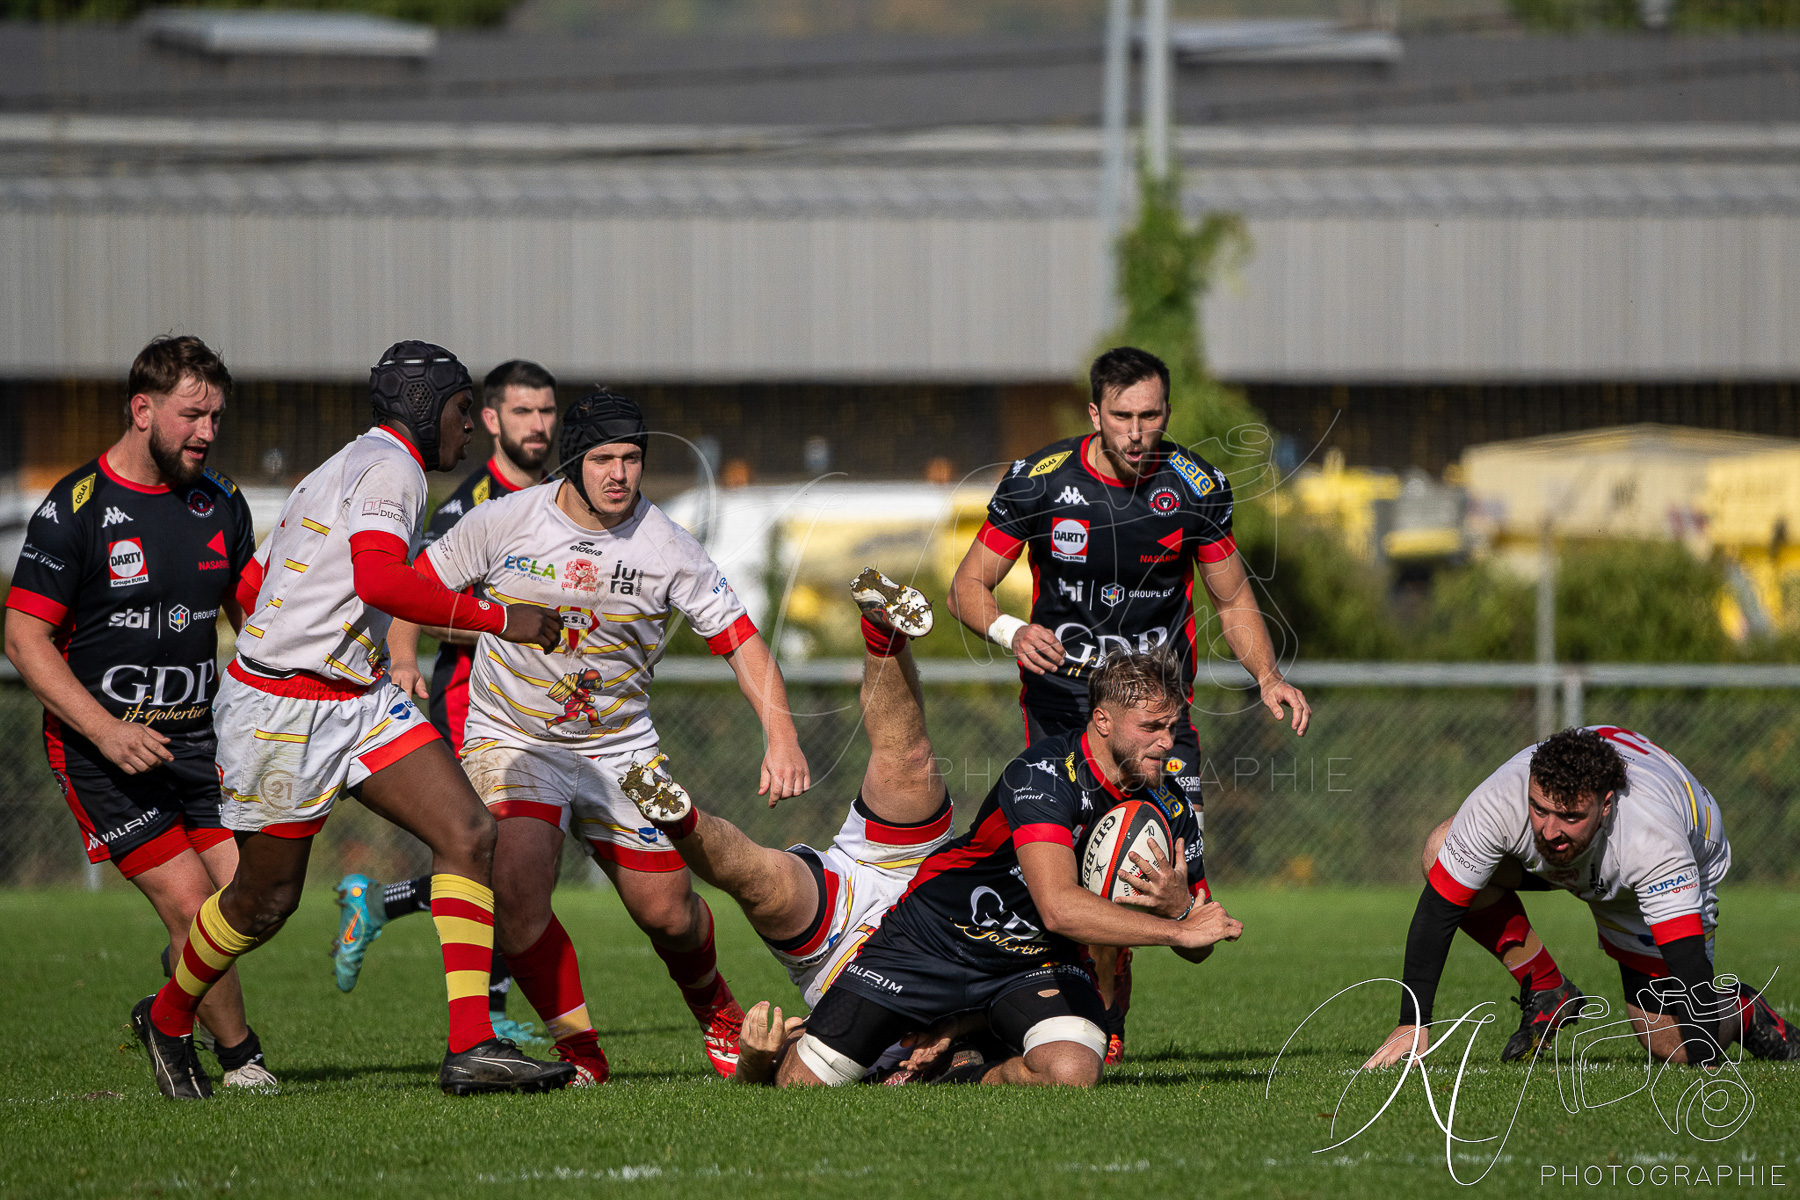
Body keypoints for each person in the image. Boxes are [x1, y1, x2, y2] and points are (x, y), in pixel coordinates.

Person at [130, 340, 574, 1099]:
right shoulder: (394, 468)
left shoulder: (348, 462)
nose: (468, 428)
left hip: (355, 696)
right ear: (428, 407)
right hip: (284, 708)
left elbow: (271, 575)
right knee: (262, 904)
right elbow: (379, 579)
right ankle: (168, 1019)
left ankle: (472, 1046)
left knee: (468, 833)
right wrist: (504, 617)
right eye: (464, 410)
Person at [385, 389, 811, 1082]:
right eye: (605, 459)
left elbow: (741, 642)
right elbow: (415, 587)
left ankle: (720, 1017)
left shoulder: (667, 545)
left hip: (621, 748)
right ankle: (583, 1056)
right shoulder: (505, 520)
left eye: (633, 458)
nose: (620, 474)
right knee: (519, 900)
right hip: (513, 739)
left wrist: (782, 737)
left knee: (668, 912)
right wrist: (402, 658)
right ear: (574, 462)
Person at [946, 345, 1308, 1062]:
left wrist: (1268, 676)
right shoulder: (1041, 483)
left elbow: (1232, 598)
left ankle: (1102, 990)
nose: (1138, 432)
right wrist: (1013, 631)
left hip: (1157, 732)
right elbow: (967, 587)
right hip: (1061, 721)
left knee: (1183, 901)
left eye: (1152, 415)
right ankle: (1077, 1019)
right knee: (1055, 884)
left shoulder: (1195, 486)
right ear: (1094, 414)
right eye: (1122, 417)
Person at [772, 647, 1243, 1089]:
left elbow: (1199, 942)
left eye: (1172, 726)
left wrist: (1181, 911)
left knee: (1071, 1071)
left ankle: (961, 1072)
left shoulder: (1169, 805)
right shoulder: (1043, 774)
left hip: (1037, 962)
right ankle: (769, 1048)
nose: (1168, 742)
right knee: (800, 1083)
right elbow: (1058, 908)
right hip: (934, 939)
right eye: (1151, 727)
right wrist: (1176, 931)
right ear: (1102, 720)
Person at [4, 336, 277, 1091]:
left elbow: (254, 613)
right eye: (193, 415)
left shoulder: (220, 500)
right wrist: (106, 731)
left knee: (256, 904)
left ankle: (169, 999)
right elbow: (24, 639)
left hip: (199, 743)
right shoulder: (74, 509)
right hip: (102, 754)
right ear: (142, 409)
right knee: (195, 907)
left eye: (217, 416)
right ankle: (241, 1061)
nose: (207, 432)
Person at [615, 568, 953, 1084]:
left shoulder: (857, 1055)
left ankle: (680, 818)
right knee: (909, 760)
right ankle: (884, 632)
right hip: (922, 883)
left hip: (842, 955)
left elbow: (795, 1037)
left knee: (760, 886)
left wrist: (752, 1057)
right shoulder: (992, 1034)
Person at [332, 360, 559, 1046]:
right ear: (489, 420)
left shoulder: (561, 499)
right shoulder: (466, 506)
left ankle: (378, 901)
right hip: (476, 698)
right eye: (522, 412)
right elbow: (409, 592)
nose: (539, 426)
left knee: (524, 864)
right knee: (495, 851)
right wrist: (403, 659)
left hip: (551, 705)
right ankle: (484, 1016)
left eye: (547, 412)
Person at [1363, 726, 1799, 1071]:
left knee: (1669, 1042)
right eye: (1540, 809)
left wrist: (1705, 1061)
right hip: (1588, 857)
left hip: (1644, 879)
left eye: (1570, 815)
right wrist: (1412, 1021)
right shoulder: (1503, 799)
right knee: (1442, 850)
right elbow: (1439, 907)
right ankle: (1548, 988)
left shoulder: (1653, 841)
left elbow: (1688, 964)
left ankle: (1744, 1012)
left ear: (1606, 804)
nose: (1549, 831)